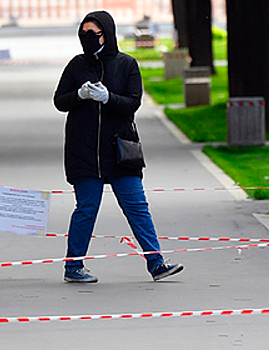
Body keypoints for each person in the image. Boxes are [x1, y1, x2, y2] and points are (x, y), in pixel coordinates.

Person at [53, 10, 184, 283]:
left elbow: (132, 103)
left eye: (94, 34)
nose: (88, 39)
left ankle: (156, 262)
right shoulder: (77, 66)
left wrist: (107, 97)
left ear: (107, 35)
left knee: (137, 206)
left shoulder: (126, 64)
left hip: (120, 150)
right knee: (86, 209)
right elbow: (60, 101)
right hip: (85, 151)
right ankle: (73, 266)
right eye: (84, 34)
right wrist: (79, 95)